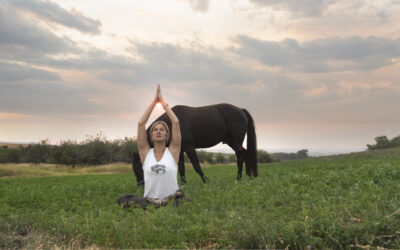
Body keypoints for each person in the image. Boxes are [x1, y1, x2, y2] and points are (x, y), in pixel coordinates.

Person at [137, 85, 182, 206]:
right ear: (151, 136)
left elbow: (176, 122)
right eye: (155, 130)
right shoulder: (145, 153)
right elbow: (141, 124)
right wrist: (154, 102)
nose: (158, 131)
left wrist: (162, 102)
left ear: (167, 136)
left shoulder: (173, 151)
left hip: (171, 202)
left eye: (162, 130)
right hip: (150, 203)